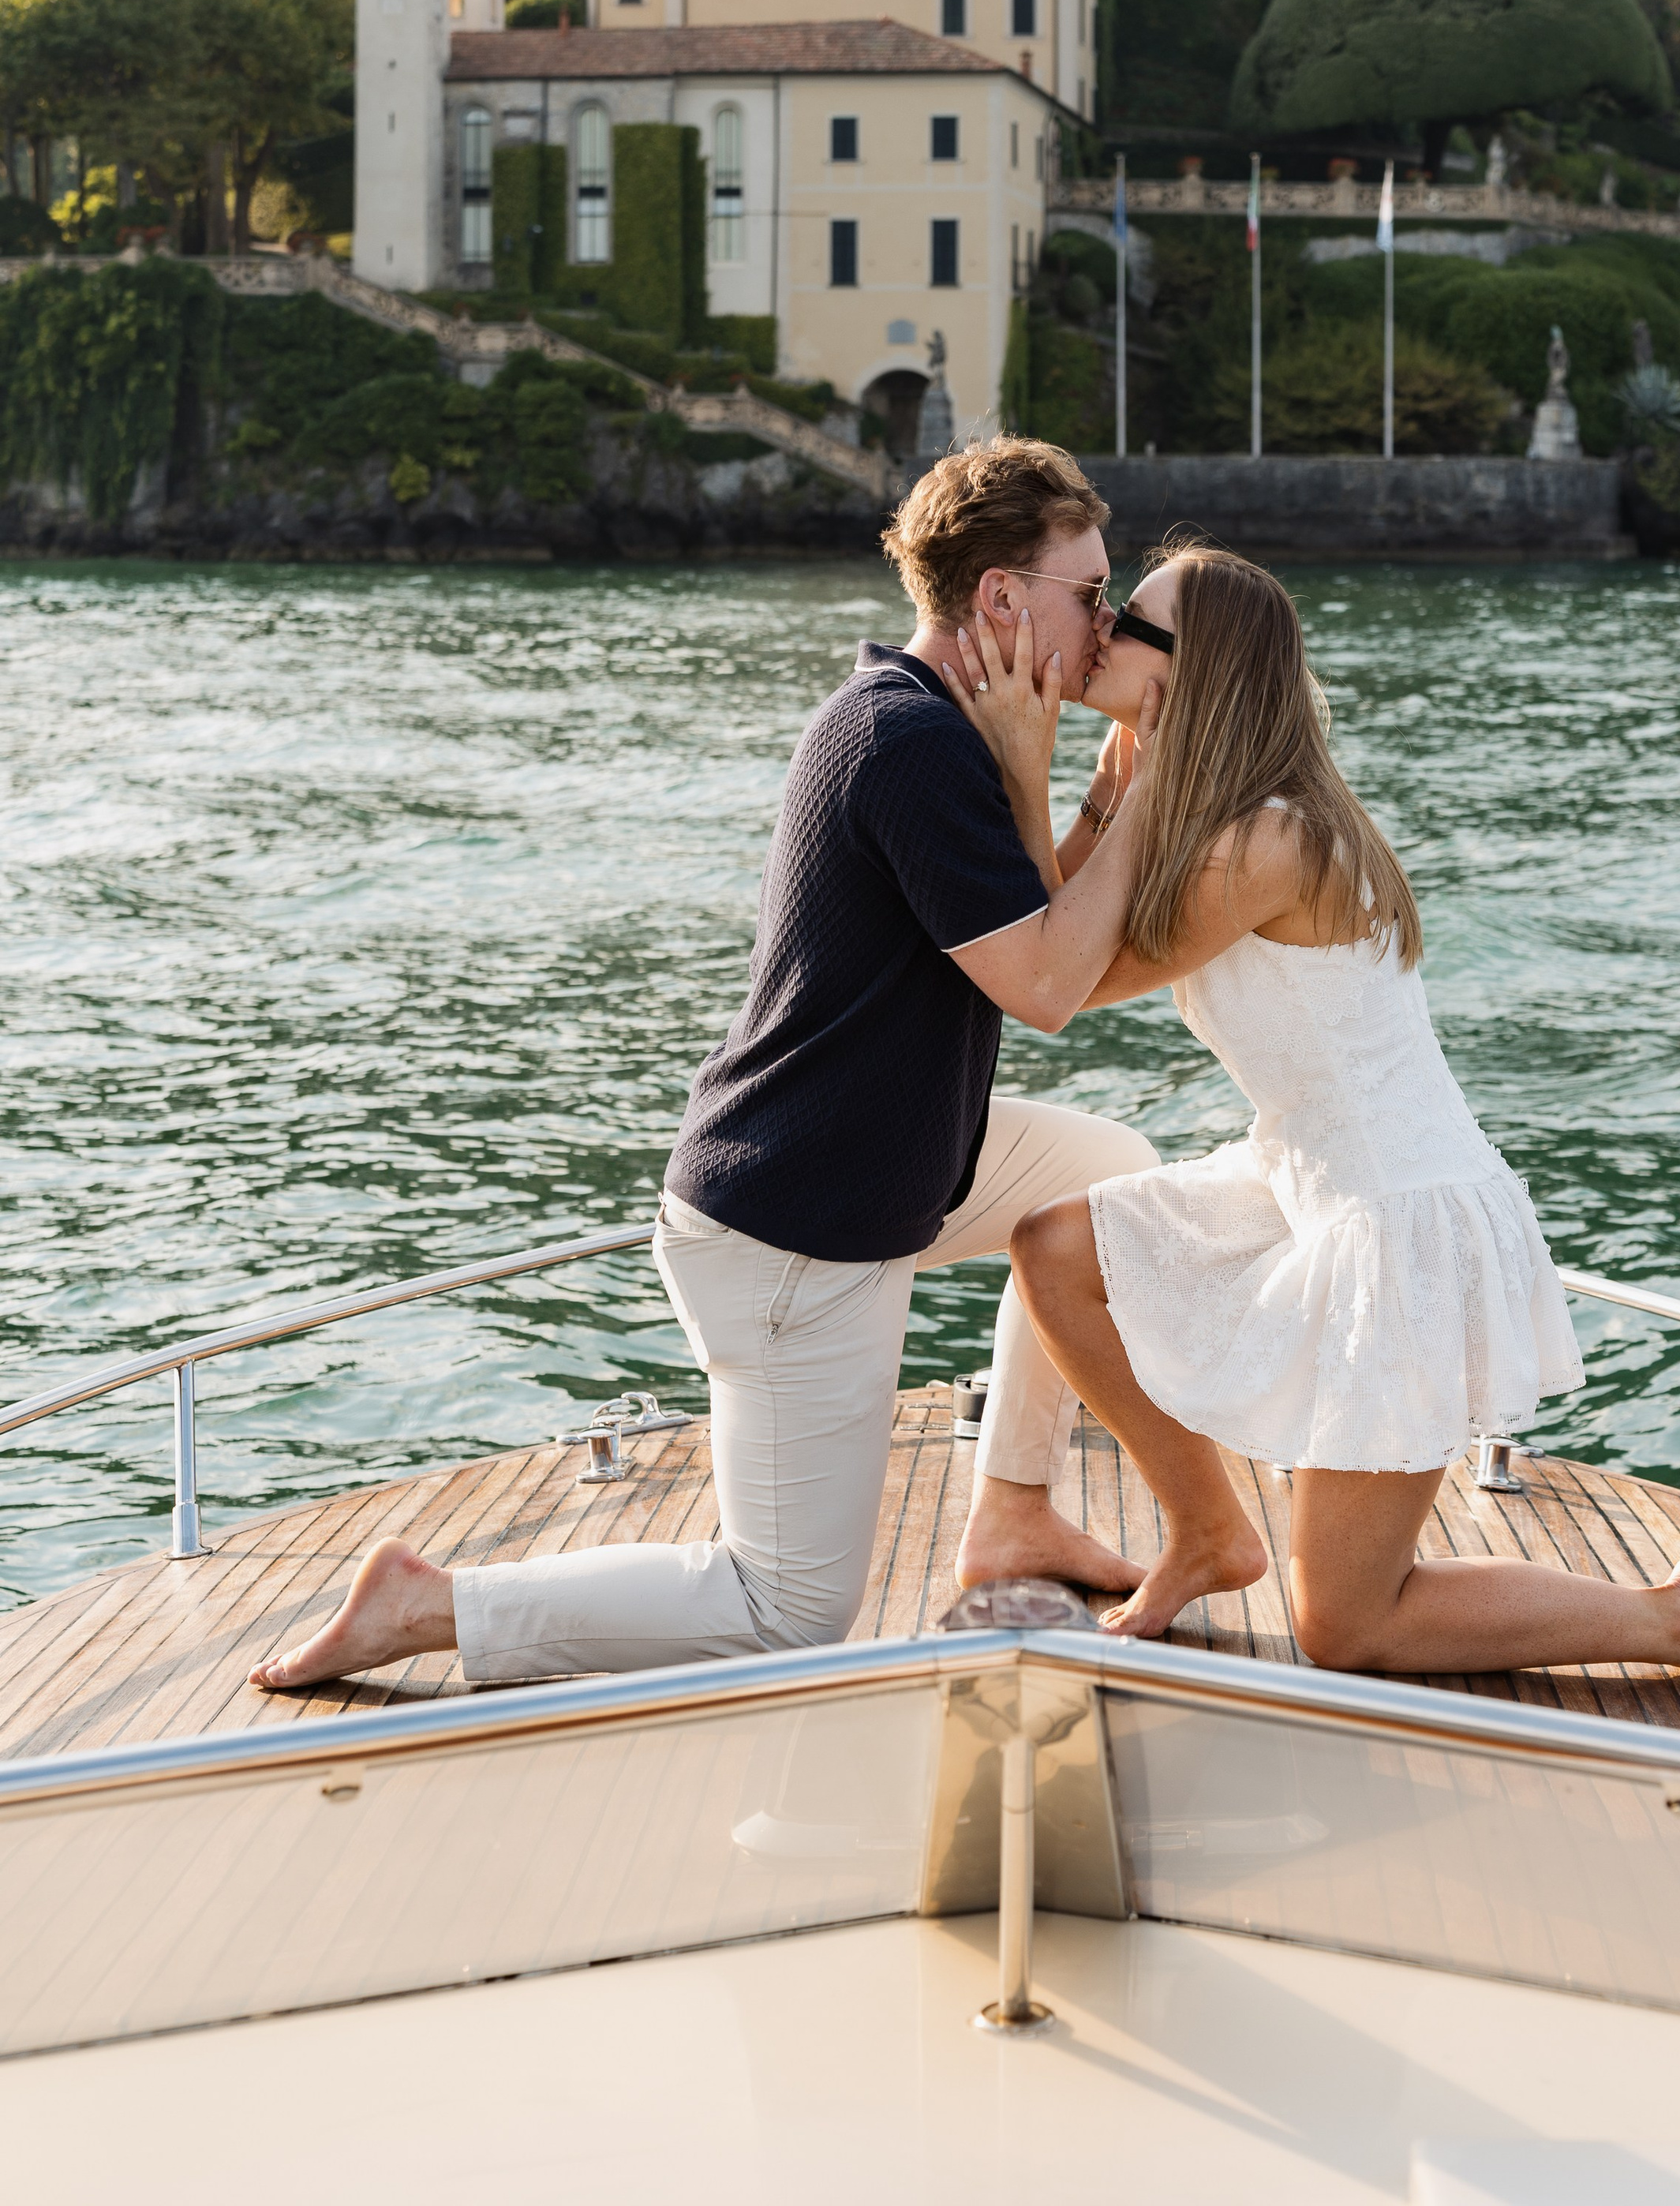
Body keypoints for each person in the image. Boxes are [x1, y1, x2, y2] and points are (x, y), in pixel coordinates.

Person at [250, 439, 1160, 1695]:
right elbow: (1051, 986)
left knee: (1110, 1184)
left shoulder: (927, 723)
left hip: (892, 1157)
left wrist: (1057, 782)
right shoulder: (913, 749)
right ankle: (433, 1606)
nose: (1104, 620)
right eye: (1090, 591)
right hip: (801, 1229)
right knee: (784, 1609)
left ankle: (1013, 1507)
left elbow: (1030, 925)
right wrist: (1141, 785)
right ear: (1003, 599)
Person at [946, 541, 1680, 1677]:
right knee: (1055, 1248)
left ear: (1195, 673)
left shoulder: (1268, 839)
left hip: (1399, 1223)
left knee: (1347, 1626)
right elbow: (1059, 915)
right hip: (1300, 1183)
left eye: (1128, 620)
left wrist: (1026, 768)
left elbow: (1058, 974)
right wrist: (1103, 773)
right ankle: (1209, 1532)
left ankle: (1675, 1618)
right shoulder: (1212, 809)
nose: (1102, 631)